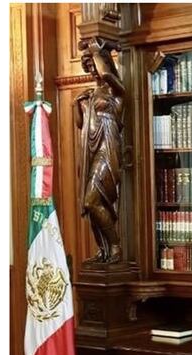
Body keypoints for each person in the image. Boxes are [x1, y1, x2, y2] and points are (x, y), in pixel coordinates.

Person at [74, 37, 125, 264]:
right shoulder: (90, 94)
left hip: (108, 149)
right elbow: (79, 123)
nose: (92, 69)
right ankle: (103, 249)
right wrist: (77, 104)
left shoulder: (116, 90)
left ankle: (115, 245)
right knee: (92, 203)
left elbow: (106, 75)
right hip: (90, 150)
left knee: (91, 200)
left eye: (93, 64)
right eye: (88, 66)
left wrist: (96, 50)